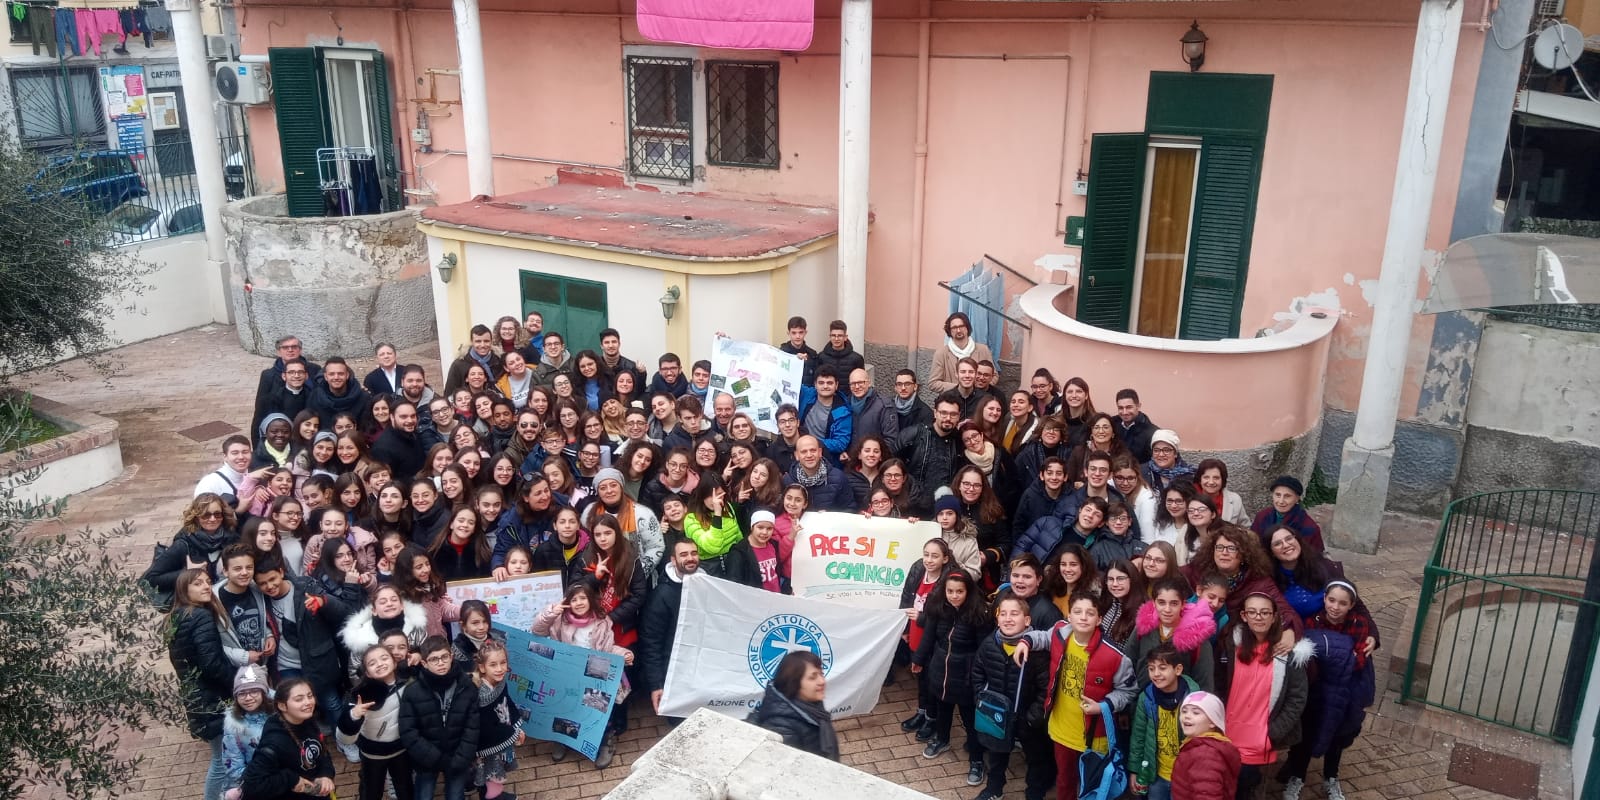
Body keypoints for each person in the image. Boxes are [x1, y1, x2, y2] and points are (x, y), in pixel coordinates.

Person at [1019, 591, 1136, 800]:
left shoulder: (1115, 656)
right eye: (1077, 612)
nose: (1083, 617)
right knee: (1065, 780)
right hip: (1061, 727)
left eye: (1090, 613)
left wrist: (1104, 706)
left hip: (1094, 736)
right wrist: (1025, 641)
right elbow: (1042, 637)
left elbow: (1128, 691)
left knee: (1093, 785)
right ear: (1069, 616)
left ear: (1099, 619)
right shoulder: (1059, 633)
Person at [1280, 581, 1376, 800]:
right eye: (1331, 600)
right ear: (1324, 599)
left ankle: (1331, 777)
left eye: (1343, 603)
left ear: (1351, 605)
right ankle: (1297, 777)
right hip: (1317, 687)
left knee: (1337, 735)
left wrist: (1338, 658)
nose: (1335, 607)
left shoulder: (1359, 624)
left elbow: (1359, 659)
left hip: (1344, 689)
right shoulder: (1311, 621)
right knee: (1306, 732)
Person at [1217, 593, 1313, 799]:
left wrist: (1273, 732)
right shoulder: (1231, 645)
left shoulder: (1289, 653)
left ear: (1274, 616)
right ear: (1244, 616)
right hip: (1227, 732)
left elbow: (1297, 698)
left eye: (1264, 612)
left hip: (1261, 738)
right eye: (1252, 612)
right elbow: (1218, 684)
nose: (1258, 617)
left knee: (1247, 785)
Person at [531, 584, 632, 767]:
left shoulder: (602, 622)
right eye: (574, 599)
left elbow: (608, 648)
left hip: (595, 672)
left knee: (597, 710)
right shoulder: (559, 620)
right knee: (566, 706)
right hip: (568, 672)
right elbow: (537, 631)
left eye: (583, 598)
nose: (578, 603)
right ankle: (564, 739)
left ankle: (603, 741)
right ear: (568, 603)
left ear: (590, 600)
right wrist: (551, 612)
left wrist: (623, 654)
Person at [968, 592, 1052, 800]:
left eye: (1014, 614)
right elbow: (977, 673)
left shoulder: (1037, 653)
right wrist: (982, 699)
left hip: (1027, 718)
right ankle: (994, 788)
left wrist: (1034, 716)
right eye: (1003, 614)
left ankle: (1034, 792)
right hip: (998, 715)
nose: (1008, 618)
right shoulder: (989, 645)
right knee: (996, 755)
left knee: (1036, 758)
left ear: (1027, 620)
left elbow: (1046, 688)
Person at [911, 569, 992, 783]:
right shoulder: (938, 608)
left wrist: (980, 677)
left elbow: (984, 649)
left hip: (966, 675)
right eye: (950, 591)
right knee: (942, 710)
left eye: (959, 591)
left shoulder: (979, 613)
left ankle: (976, 760)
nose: (954, 595)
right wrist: (918, 660)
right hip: (940, 669)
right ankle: (942, 739)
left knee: (970, 719)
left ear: (968, 591)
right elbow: (928, 636)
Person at [169, 567, 243, 800]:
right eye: (197, 583)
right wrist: (237, 682)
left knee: (222, 756)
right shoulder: (200, 616)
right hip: (212, 700)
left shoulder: (178, 616)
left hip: (197, 699)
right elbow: (211, 663)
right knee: (223, 760)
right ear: (184, 589)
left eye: (207, 582)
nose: (205, 587)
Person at [398, 636, 481, 800]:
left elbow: (472, 728)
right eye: (434, 659)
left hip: (457, 757)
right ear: (424, 663)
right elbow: (408, 732)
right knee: (424, 794)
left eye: (444, 657)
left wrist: (462, 758)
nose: (441, 663)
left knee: (456, 795)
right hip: (426, 759)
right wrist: (435, 758)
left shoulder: (467, 687)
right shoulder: (413, 692)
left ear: (451, 657)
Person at [238, 678, 335, 800]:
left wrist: (325, 774)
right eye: (299, 699)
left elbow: (322, 752)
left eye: (310, 696)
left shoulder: (307, 719)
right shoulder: (274, 742)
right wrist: (290, 780)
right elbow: (252, 784)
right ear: (282, 706)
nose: (308, 702)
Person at [1129, 643, 1202, 800]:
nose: (1156, 674)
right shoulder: (1146, 698)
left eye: (1162, 668)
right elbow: (1139, 737)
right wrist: (1135, 770)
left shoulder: (1194, 698)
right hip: (1157, 776)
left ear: (1178, 670)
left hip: (1185, 777)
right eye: (1151, 668)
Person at [339, 644, 412, 800]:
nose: (380, 664)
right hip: (373, 753)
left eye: (384, 658)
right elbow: (344, 738)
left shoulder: (407, 682)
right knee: (371, 791)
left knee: (405, 788)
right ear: (367, 673)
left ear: (394, 662)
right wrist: (354, 715)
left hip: (401, 748)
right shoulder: (360, 695)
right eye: (372, 663)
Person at [641, 538, 701, 715]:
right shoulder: (661, 595)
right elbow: (651, 642)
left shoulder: (708, 584)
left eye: (693, 553)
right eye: (684, 555)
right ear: (673, 560)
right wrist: (656, 685)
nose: (690, 558)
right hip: (675, 672)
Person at [144, 494, 240, 600]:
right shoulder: (183, 544)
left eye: (217, 514)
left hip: (224, 600)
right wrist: (187, 572)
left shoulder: (231, 538)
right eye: (206, 515)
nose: (212, 519)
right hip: (194, 605)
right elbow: (151, 579)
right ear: (196, 517)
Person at [748, 650, 839, 760]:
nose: (822, 681)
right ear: (794, 682)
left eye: (821, 674)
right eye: (812, 677)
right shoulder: (781, 728)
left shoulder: (811, 705)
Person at [1129, 577, 1216, 692]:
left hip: (1181, 705)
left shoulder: (1197, 639)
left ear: (1183, 604)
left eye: (1174, 603)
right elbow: (1128, 663)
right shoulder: (1143, 628)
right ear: (1154, 603)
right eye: (1161, 603)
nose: (1167, 609)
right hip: (1143, 701)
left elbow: (1205, 683)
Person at [471, 639, 528, 794]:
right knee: (489, 778)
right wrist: (513, 733)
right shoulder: (480, 695)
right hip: (487, 744)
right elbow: (487, 727)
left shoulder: (500, 682)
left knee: (496, 776)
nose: (500, 669)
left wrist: (516, 726)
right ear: (482, 667)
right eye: (493, 664)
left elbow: (507, 703)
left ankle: (498, 795)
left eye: (503, 663)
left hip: (501, 735)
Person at [1170, 691, 1240, 800]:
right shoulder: (1200, 744)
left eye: (1196, 713)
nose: (1187, 716)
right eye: (1184, 711)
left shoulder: (1205, 754)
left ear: (1213, 722)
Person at [900, 393, 964, 512]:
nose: (948, 418)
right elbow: (892, 463)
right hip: (912, 506)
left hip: (944, 509)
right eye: (943, 413)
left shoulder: (961, 441)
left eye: (953, 414)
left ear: (959, 416)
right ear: (935, 413)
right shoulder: (913, 435)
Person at [219, 665, 272, 798]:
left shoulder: (281, 713)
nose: (248, 698)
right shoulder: (233, 725)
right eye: (242, 693)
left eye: (254, 691)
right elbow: (233, 767)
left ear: (264, 693)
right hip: (257, 784)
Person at [683, 474, 744, 576]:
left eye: (719, 494)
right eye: (711, 495)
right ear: (702, 495)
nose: (715, 500)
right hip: (710, 567)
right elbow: (712, 547)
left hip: (733, 562)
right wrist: (717, 514)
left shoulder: (728, 507)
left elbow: (737, 535)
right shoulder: (691, 519)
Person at [1251, 476, 1324, 553]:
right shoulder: (1262, 516)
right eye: (1278, 495)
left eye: (1287, 496)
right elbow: (1252, 544)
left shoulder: (1309, 527)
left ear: (1297, 499)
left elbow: (1315, 558)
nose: (1281, 501)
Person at [785, 435, 853, 512]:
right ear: (797, 455)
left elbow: (850, 509)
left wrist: (830, 517)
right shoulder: (788, 480)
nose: (809, 455)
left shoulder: (838, 478)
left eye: (813, 450)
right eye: (804, 452)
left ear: (820, 452)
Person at [929, 312, 993, 394]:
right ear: (949, 331)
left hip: (977, 401)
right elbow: (933, 383)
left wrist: (979, 389)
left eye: (961, 326)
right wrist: (960, 388)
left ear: (967, 327)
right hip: (951, 400)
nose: (958, 330)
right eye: (954, 327)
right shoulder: (941, 353)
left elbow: (994, 376)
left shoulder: (983, 350)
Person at [798, 366, 853, 462]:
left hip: (825, 458)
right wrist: (796, 358)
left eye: (830, 383)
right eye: (821, 383)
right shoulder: (807, 394)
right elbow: (790, 380)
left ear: (836, 385)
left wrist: (813, 443)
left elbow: (840, 443)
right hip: (800, 453)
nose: (825, 386)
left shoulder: (843, 413)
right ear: (815, 384)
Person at [726, 509, 786, 593]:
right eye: (760, 527)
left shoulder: (774, 545)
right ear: (752, 527)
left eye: (769, 528)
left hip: (775, 597)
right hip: (755, 600)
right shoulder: (739, 552)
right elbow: (733, 583)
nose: (765, 532)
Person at [307, 357, 371, 430]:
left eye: (340, 374)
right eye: (331, 374)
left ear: (347, 375)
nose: (336, 377)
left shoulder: (363, 398)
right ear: (325, 376)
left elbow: (367, 429)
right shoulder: (315, 397)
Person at [845, 367, 899, 452]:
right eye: (853, 383)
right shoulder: (845, 404)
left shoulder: (884, 406)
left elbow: (890, 439)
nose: (856, 386)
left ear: (869, 383)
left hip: (874, 460)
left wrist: (876, 457)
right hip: (852, 460)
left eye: (860, 382)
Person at [445, 325, 505, 396]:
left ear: (491, 341)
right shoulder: (459, 364)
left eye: (486, 341)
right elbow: (449, 393)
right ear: (472, 342)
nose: (482, 345)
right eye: (478, 341)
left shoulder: (499, 361)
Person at [198, 435, 255, 502]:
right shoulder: (209, 483)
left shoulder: (258, 475)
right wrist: (239, 510)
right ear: (225, 457)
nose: (241, 457)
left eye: (245, 452)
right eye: (235, 453)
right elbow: (201, 511)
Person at [1114, 389, 1160, 465]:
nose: (1124, 412)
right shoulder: (1112, 424)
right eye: (1121, 408)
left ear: (1138, 406)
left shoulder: (1153, 432)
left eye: (1129, 407)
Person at [1144, 430, 1196, 495]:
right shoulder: (1142, 473)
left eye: (1166, 450)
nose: (1161, 454)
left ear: (1175, 454)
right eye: (1156, 450)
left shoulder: (1188, 476)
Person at [779, 316, 820, 386]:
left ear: (805, 332)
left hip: (808, 395)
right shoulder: (781, 353)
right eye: (794, 333)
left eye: (801, 332)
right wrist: (794, 359)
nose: (797, 336)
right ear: (788, 333)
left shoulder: (813, 355)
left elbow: (816, 380)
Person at [1002, 389, 1040, 455]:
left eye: (1021, 402)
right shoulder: (1007, 421)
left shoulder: (1037, 429)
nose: (1016, 405)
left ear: (1030, 408)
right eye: (1013, 402)